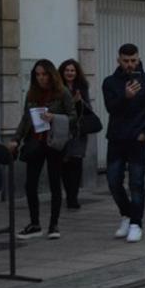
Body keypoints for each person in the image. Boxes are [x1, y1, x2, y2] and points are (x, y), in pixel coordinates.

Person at [102, 43, 145, 243]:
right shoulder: (110, 82)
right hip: (116, 138)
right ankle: (127, 214)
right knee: (113, 181)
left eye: (133, 60)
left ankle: (136, 223)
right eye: (126, 61)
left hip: (138, 139)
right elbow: (111, 107)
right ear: (119, 61)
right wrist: (125, 96)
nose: (130, 64)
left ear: (138, 59)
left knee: (136, 182)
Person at [10, 60, 76, 239]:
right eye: (38, 75)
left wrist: (53, 116)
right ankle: (34, 223)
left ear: (51, 75)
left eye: (44, 74)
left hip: (54, 142)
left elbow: (73, 117)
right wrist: (16, 139)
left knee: (55, 182)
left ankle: (54, 225)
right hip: (35, 141)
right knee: (30, 184)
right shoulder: (32, 94)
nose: (41, 78)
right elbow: (25, 119)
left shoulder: (62, 93)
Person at [58, 59, 90, 209]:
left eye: (72, 70)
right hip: (63, 130)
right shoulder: (58, 88)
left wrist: (79, 102)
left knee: (76, 163)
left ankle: (73, 197)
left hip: (78, 132)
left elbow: (87, 109)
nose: (70, 73)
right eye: (67, 70)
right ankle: (68, 194)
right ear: (62, 72)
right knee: (65, 164)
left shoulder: (82, 87)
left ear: (76, 73)